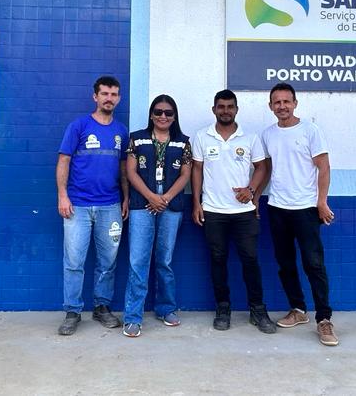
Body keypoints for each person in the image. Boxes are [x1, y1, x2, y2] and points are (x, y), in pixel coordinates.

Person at [260, 82, 339, 347]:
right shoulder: (268, 134)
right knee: (285, 264)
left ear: (295, 103)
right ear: (271, 106)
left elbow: (324, 168)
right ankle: (298, 310)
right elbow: (268, 169)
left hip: (305, 209)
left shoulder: (310, 131)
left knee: (314, 265)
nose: (282, 106)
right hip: (277, 208)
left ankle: (324, 320)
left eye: (286, 101)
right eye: (277, 102)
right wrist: (253, 194)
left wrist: (322, 202)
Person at [192, 89, 276, 333]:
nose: (225, 110)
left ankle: (258, 310)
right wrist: (197, 203)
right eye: (221, 106)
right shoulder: (202, 137)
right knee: (218, 261)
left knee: (250, 260)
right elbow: (197, 170)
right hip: (213, 211)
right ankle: (223, 308)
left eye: (230, 106)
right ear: (214, 109)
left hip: (243, 213)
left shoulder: (249, 137)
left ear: (236, 109)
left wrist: (251, 191)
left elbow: (261, 167)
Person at [56, 75, 130, 336]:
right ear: (95, 96)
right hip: (78, 206)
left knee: (108, 261)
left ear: (118, 98)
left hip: (110, 205)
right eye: (105, 94)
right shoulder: (78, 126)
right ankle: (73, 311)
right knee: (74, 261)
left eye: (114, 94)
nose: (109, 98)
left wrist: (126, 198)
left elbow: (123, 169)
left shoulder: (121, 131)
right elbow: (64, 160)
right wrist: (62, 195)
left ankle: (102, 307)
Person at [121, 94, 193, 338]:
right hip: (143, 205)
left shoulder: (183, 142)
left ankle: (166, 308)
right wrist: (151, 197)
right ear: (151, 114)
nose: (163, 116)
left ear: (174, 117)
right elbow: (131, 172)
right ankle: (132, 317)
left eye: (168, 113)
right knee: (137, 262)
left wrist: (165, 199)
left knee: (165, 261)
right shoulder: (137, 139)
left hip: (170, 207)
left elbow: (185, 175)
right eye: (159, 111)